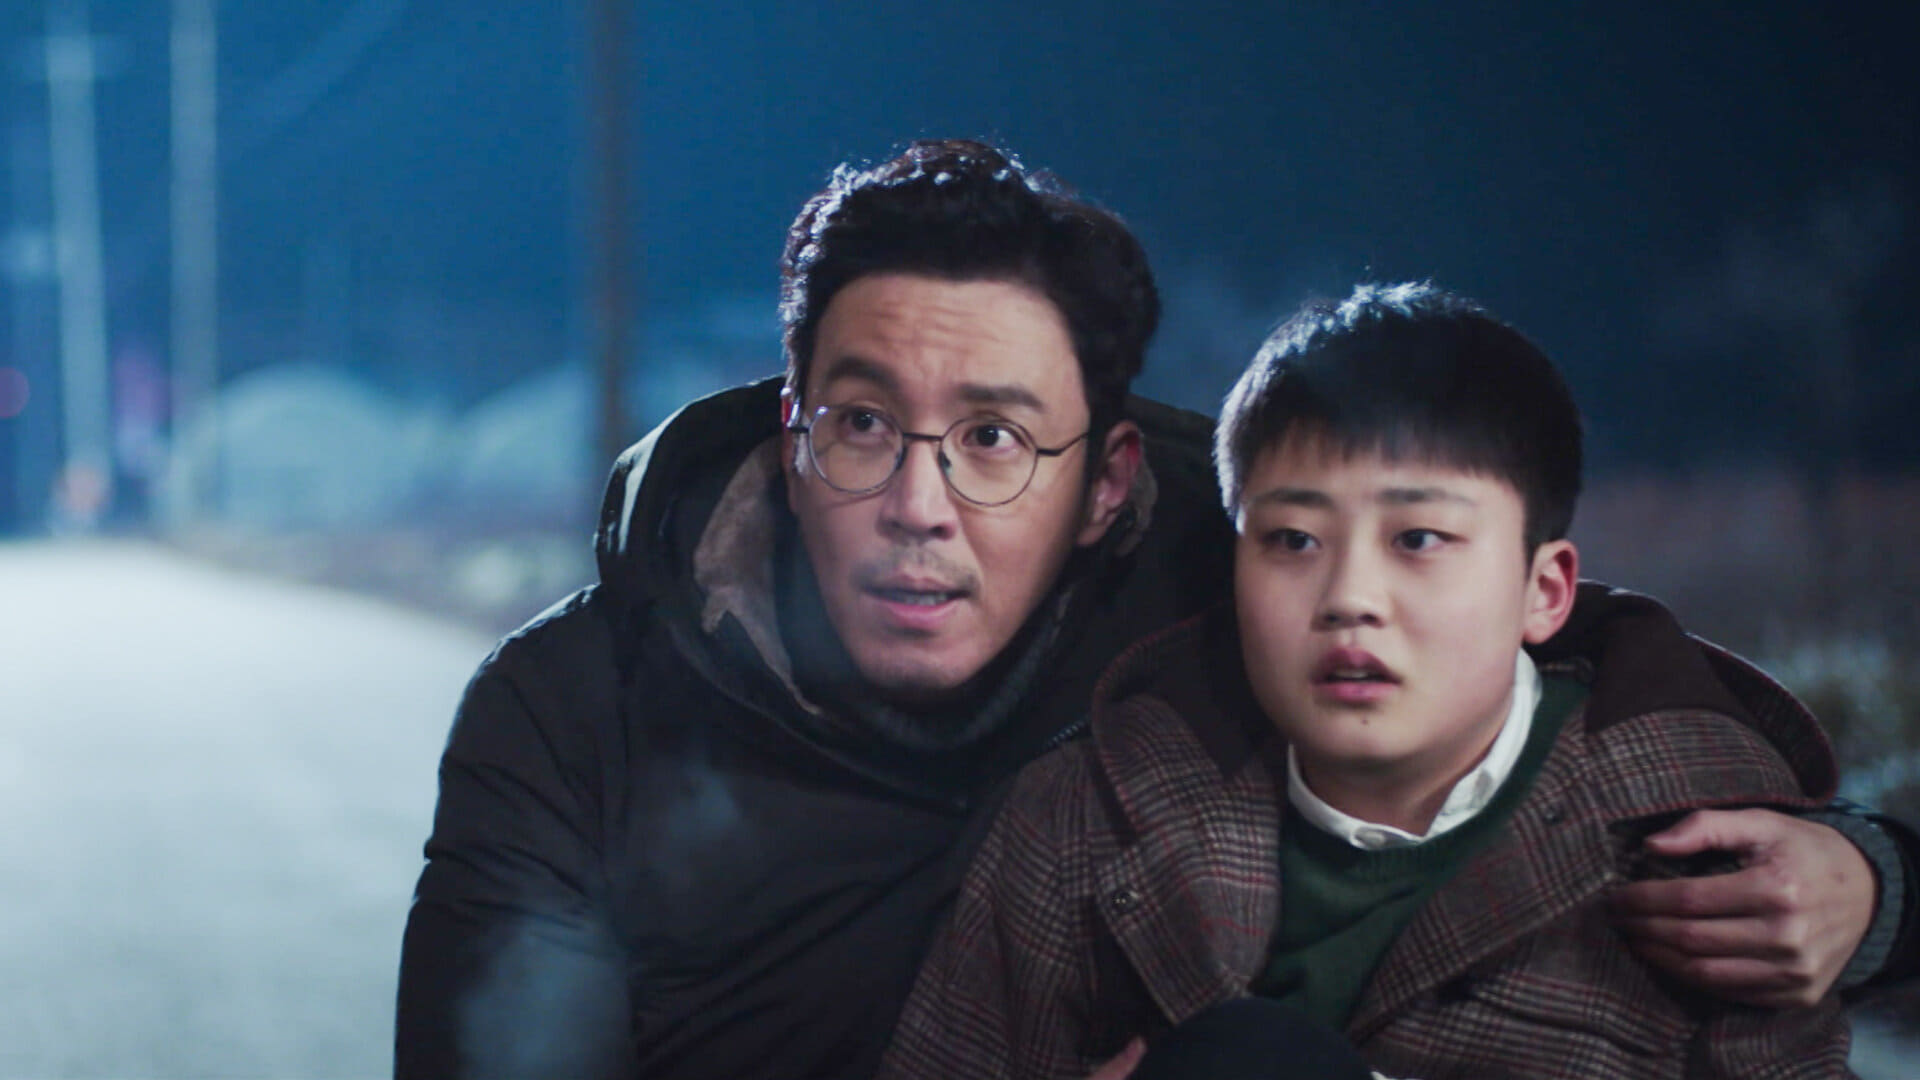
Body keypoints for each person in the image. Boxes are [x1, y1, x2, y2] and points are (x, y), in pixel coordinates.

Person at [394, 142, 1912, 1080]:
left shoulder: (1233, 573)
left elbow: (1532, 649)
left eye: (994, 438)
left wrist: (1869, 879)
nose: (920, 501)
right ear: (793, 439)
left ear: (1107, 481)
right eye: (861, 425)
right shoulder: (575, 709)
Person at [878, 283, 1866, 1079]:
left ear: (1544, 591)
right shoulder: (1086, 814)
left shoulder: (1698, 855)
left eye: (1419, 539)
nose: (1350, 598)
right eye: (1293, 540)